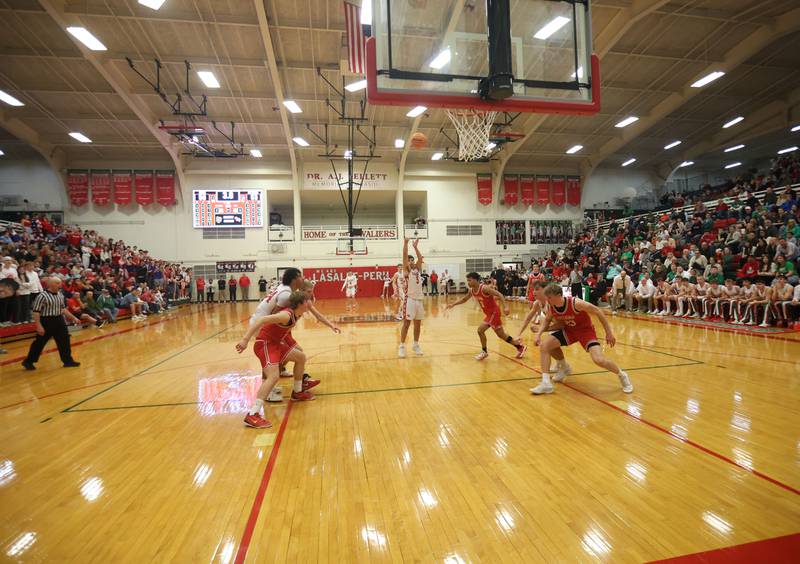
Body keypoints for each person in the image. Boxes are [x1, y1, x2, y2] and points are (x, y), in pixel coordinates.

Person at [249, 268, 340, 401]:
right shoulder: (288, 298)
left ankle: (295, 379)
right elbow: (274, 316)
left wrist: (331, 325)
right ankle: (270, 388)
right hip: (263, 326)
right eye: (300, 276)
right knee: (278, 356)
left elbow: (316, 314)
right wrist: (246, 339)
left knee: (296, 355)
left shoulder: (288, 291)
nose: (302, 278)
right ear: (297, 282)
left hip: (273, 327)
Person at [531, 283, 633, 395]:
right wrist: (539, 333)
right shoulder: (551, 306)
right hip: (569, 331)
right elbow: (547, 320)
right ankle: (546, 383)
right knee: (545, 345)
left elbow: (598, 311)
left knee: (599, 360)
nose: (547, 300)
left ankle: (622, 375)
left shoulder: (576, 303)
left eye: (549, 297)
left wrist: (608, 333)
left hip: (585, 332)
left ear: (559, 295)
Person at [235, 291, 316, 429]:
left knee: (300, 357)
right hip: (265, 343)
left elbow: (284, 333)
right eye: (308, 300)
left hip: (276, 343)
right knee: (273, 376)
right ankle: (252, 414)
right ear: (301, 303)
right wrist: (245, 340)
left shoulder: (299, 314)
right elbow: (260, 320)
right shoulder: (286, 315)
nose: (310, 302)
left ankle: (297, 392)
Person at [446, 272, 526, 360]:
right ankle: (520, 347)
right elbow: (464, 299)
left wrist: (506, 307)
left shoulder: (484, 288)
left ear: (476, 280)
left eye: (470, 280)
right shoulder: (471, 290)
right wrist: (453, 304)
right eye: (467, 280)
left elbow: (499, 294)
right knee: (501, 335)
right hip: (489, 314)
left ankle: (484, 351)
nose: (468, 282)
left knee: (480, 330)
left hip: (494, 313)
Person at [22, 277, 81, 370]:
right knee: (39, 343)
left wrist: (74, 318)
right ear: (50, 284)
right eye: (57, 283)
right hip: (46, 321)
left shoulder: (60, 294)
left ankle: (68, 361)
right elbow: (36, 311)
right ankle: (28, 361)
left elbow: (63, 309)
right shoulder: (42, 296)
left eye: (60, 283)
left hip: (59, 320)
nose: (60, 285)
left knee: (64, 340)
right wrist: (38, 326)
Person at [398, 239, 425, 358]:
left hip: (419, 300)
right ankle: (402, 346)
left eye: (412, 260)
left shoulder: (417, 269)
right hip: (409, 300)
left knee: (418, 325)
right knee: (406, 324)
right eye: (409, 260)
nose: (411, 261)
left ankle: (415, 344)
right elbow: (404, 256)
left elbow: (421, 257)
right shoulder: (406, 270)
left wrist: (415, 246)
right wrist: (405, 244)